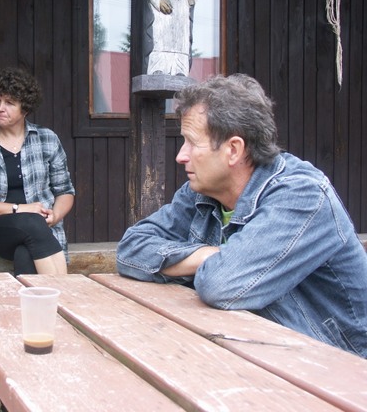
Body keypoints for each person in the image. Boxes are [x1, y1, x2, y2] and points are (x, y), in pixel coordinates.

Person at [116, 74, 367, 358]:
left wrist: (185, 264)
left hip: (337, 369)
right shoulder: (201, 192)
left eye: (192, 143)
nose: (181, 156)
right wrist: (210, 254)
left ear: (233, 150)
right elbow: (130, 249)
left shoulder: (302, 195)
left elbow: (221, 285)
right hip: (252, 352)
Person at [0, 67, 75, 275]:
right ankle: (65, 293)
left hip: (43, 230)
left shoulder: (47, 139)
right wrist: (21, 208)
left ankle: (34, 297)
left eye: (9, 103)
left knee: (25, 253)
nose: (0, 108)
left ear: (25, 109)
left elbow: (65, 191)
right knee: (31, 221)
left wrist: (55, 215)